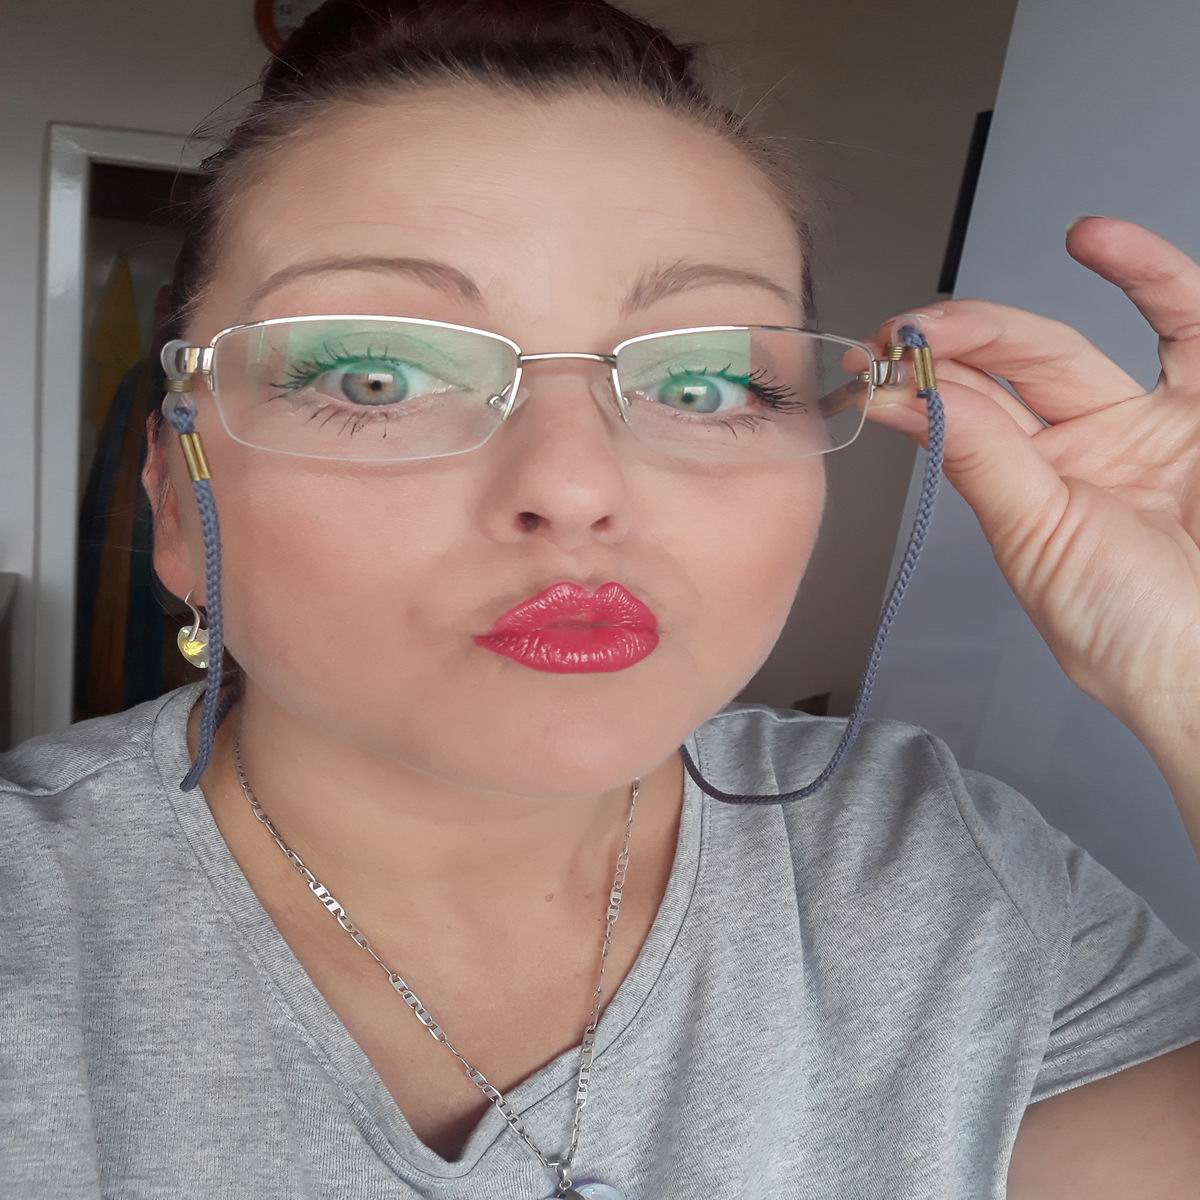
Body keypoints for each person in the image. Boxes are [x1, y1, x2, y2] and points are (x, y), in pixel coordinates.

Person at [4, 1, 1200, 1197]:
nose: (576, 488)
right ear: (173, 502)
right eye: (377, 377)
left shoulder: (937, 866)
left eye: (705, 382)